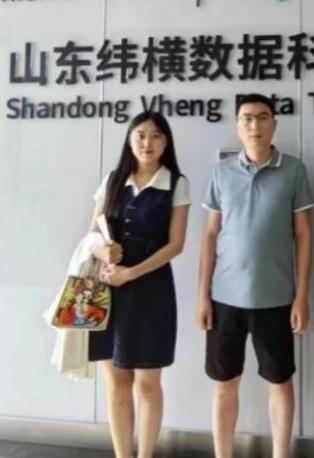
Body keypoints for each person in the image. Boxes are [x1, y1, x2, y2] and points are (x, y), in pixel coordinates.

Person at [195, 93, 314, 458]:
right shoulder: (222, 172)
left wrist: (301, 296)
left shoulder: (294, 170)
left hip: (276, 298)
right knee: (224, 383)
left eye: (262, 118)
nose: (254, 125)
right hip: (224, 298)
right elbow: (210, 233)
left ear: (274, 124)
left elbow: (304, 235)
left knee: (280, 380)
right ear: (237, 126)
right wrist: (202, 295)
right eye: (247, 118)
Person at [88, 111, 190, 458]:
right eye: (141, 135)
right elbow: (91, 234)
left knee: (148, 383)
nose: (148, 142)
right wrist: (103, 251)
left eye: (156, 135)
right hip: (107, 291)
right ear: (130, 140)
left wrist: (130, 273)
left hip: (151, 292)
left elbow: (176, 245)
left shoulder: (176, 183)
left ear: (166, 142)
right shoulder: (113, 180)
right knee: (117, 382)